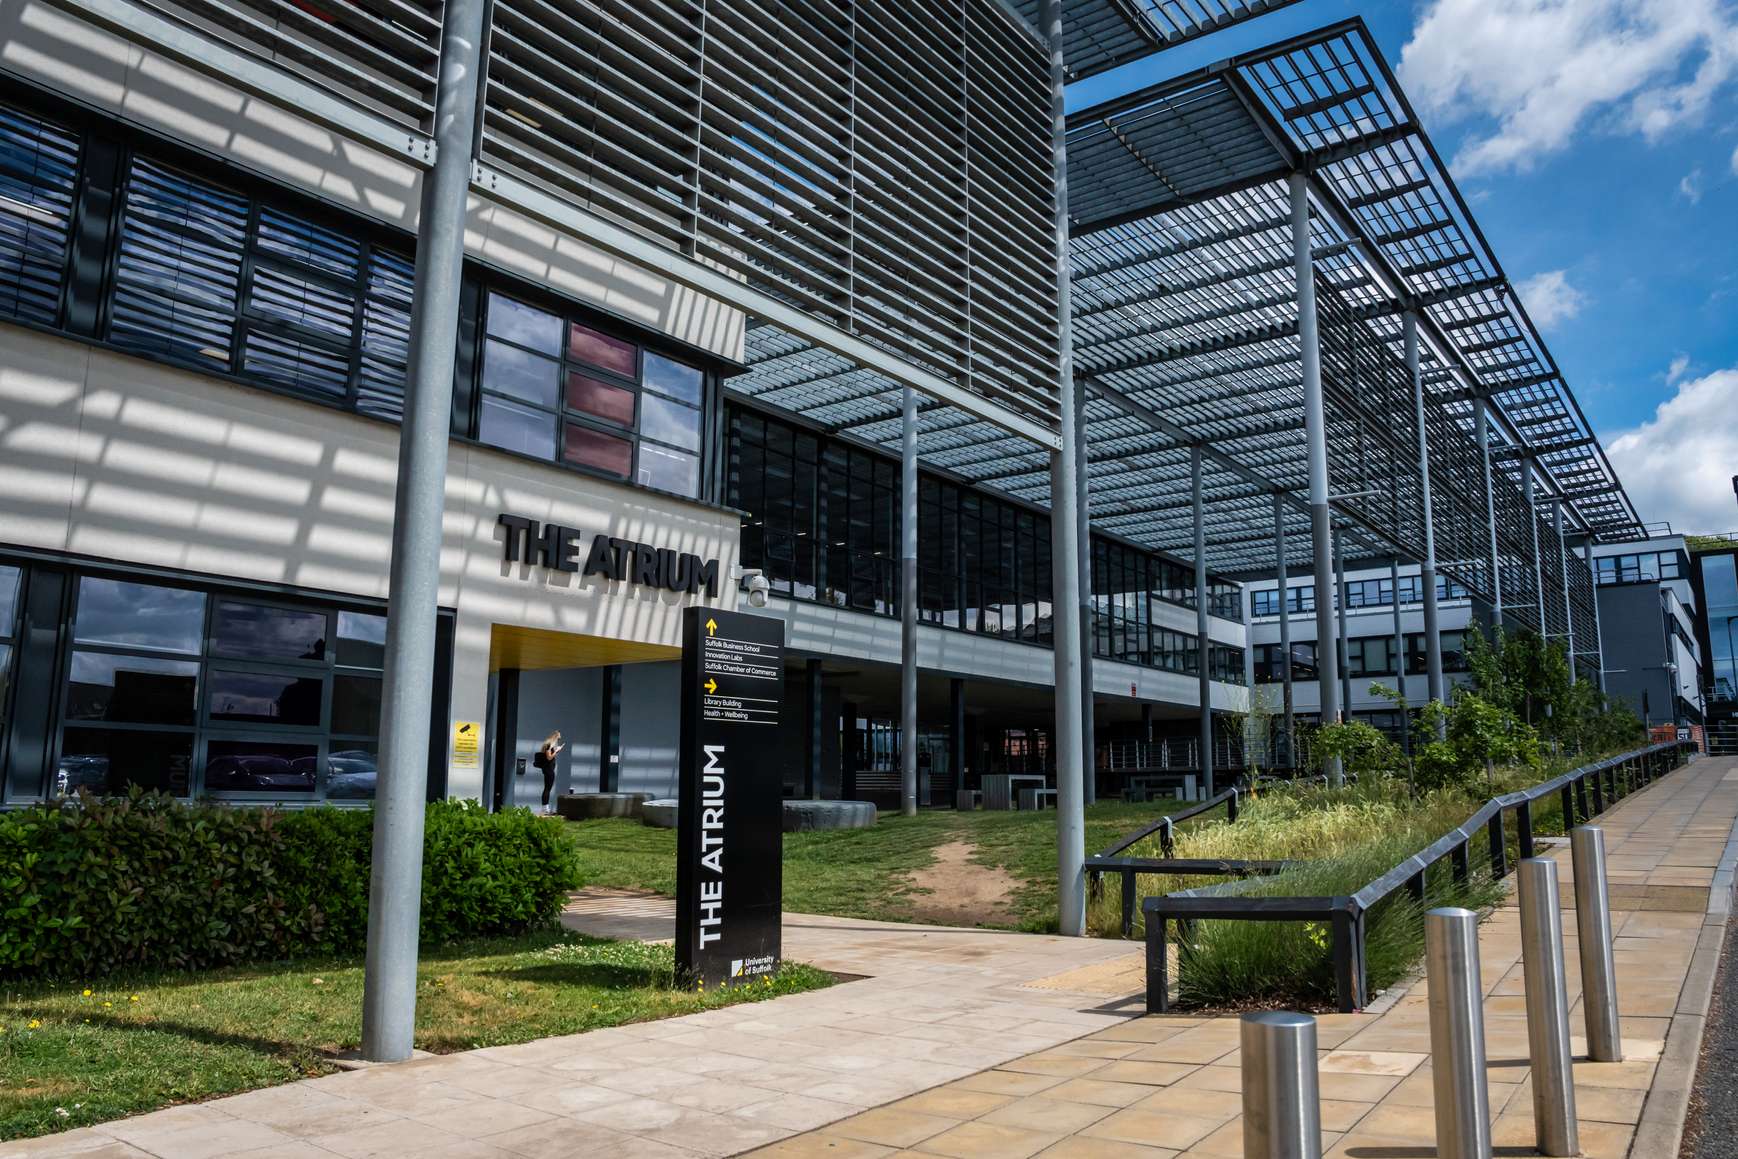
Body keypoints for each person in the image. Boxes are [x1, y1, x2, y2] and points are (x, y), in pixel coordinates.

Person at [533, 730, 564, 814]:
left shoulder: (548, 745)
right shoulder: (549, 745)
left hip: (548, 769)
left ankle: (545, 808)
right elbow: (549, 758)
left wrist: (557, 750)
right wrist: (557, 750)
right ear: (555, 737)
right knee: (547, 789)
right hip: (549, 770)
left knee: (547, 788)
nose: (559, 740)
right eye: (558, 737)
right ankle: (545, 809)